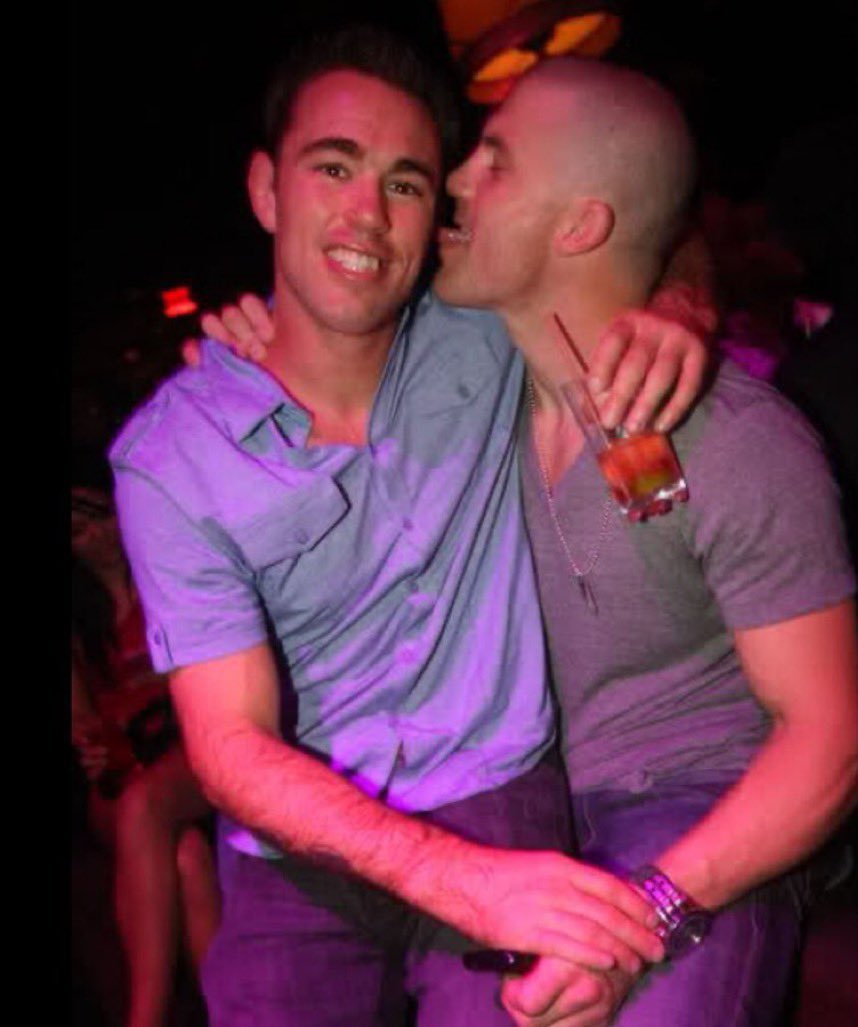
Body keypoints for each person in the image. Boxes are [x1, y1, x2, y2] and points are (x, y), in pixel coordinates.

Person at [109, 25, 713, 1027]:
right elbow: (231, 745)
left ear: (437, 212)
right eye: (332, 167)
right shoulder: (173, 456)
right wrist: (462, 882)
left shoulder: (487, 329)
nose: (367, 213)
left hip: (493, 783)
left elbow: (655, 221)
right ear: (266, 190)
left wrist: (679, 306)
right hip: (296, 843)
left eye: (404, 182)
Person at [429, 58, 858, 1026]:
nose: (455, 177)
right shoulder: (463, 412)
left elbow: (831, 742)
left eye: (495, 161)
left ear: (580, 224)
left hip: (703, 815)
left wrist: (650, 911)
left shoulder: (739, 437)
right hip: (525, 816)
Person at [72, 452, 221, 1027]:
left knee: (178, 844)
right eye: (77, 530)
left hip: (185, 750)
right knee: (167, 837)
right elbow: (83, 724)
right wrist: (89, 747)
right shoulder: (82, 626)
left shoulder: (166, 577)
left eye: (97, 518)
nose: (92, 537)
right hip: (122, 770)